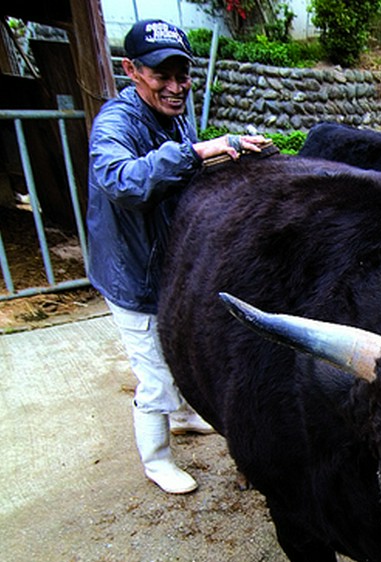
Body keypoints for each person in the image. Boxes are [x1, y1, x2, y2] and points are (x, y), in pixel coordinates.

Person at [87, 19, 272, 494]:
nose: (175, 87)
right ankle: (156, 459)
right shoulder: (115, 122)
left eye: (182, 75)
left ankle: (186, 415)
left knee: (180, 350)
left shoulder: (172, 114)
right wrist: (198, 151)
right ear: (131, 70)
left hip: (171, 266)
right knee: (153, 370)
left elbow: (189, 162)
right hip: (133, 272)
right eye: (161, 76)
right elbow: (123, 181)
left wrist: (231, 151)